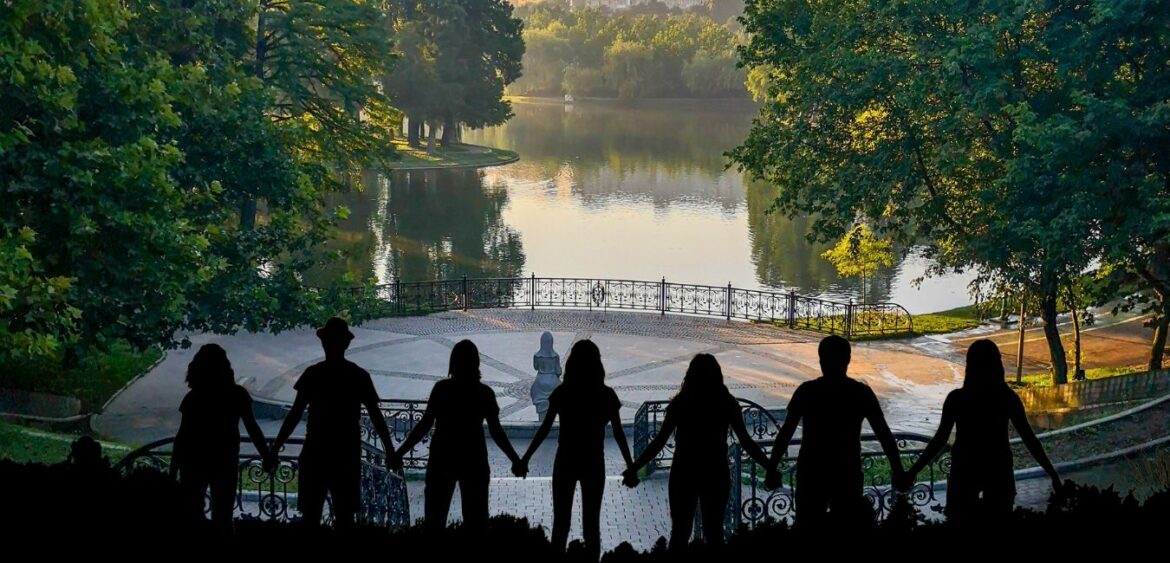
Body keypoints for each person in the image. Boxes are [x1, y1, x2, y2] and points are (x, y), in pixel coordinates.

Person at [895, 339, 1062, 525]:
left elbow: (940, 440)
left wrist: (912, 472)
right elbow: (1029, 439)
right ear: (997, 365)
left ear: (970, 366)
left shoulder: (956, 399)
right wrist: (1052, 474)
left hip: (964, 476)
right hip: (999, 475)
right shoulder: (1007, 398)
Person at [621, 354, 772, 550]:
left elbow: (658, 442)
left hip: (684, 471)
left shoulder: (680, 404)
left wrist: (634, 468)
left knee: (680, 533)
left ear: (690, 376)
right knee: (715, 532)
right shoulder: (727, 403)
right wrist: (769, 466)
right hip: (715, 471)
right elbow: (746, 441)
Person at [268, 317, 401, 529]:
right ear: (346, 344)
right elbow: (376, 417)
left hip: (315, 452)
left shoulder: (313, 374)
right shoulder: (358, 375)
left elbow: (294, 415)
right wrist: (391, 451)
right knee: (345, 517)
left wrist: (274, 449)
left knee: (311, 516)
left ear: (324, 343)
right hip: (346, 454)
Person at [764, 335, 904, 530]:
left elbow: (785, 434)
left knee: (808, 529)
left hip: (811, 475)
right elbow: (884, 435)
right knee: (846, 530)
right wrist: (898, 470)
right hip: (847, 474)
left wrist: (772, 469)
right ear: (848, 359)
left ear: (820, 360)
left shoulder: (806, 391)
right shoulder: (861, 393)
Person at [516, 339, 634, 562]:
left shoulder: (563, 392)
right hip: (593, 462)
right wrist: (631, 467)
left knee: (560, 524)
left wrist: (525, 458)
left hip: (566, 461)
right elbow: (618, 434)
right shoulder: (606, 395)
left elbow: (544, 429)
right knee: (592, 525)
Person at [396, 339, 524, 534]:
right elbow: (497, 432)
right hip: (474, 460)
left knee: (434, 521)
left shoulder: (441, 390)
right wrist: (516, 460)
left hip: (442, 459)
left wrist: (400, 453)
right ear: (476, 363)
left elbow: (424, 425)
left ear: (453, 362)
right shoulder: (484, 394)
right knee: (476, 523)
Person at [171, 343, 270, 533]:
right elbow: (253, 429)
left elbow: (182, 436)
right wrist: (266, 455)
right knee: (223, 517)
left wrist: (173, 470)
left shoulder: (193, 398)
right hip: (224, 461)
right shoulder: (237, 395)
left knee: (192, 515)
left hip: (193, 461)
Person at [530, 331, 562, 421]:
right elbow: (558, 371)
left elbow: (536, 367)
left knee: (540, 400)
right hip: (553, 380)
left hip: (540, 381)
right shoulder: (555, 356)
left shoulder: (537, 356)